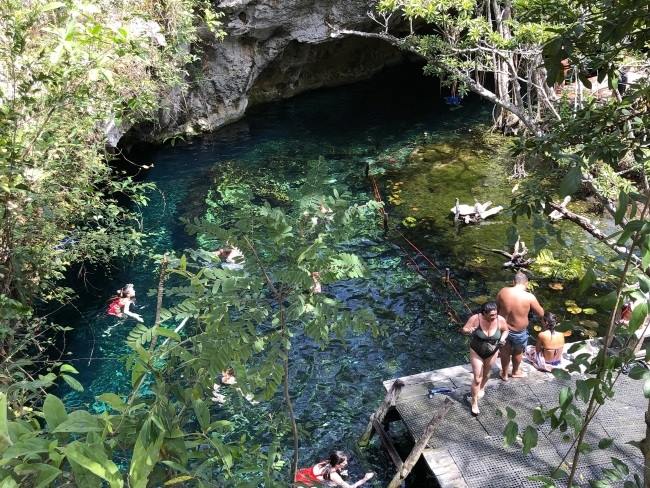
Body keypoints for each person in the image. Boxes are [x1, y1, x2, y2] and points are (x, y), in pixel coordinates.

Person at [460, 302, 509, 416]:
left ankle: (481, 388)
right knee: (477, 378)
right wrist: (468, 330)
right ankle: (474, 402)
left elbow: (506, 330)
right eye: (491, 315)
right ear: (484, 313)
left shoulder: (500, 320)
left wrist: (502, 338)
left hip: (492, 351)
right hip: (477, 351)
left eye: (495, 314)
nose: (494, 317)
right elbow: (464, 330)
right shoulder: (475, 319)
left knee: (486, 375)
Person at [497, 271, 544, 380]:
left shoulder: (503, 291)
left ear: (513, 282)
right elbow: (541, 313)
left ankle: (504, 374)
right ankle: (515, 371)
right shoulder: (529, 296)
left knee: (504, 351)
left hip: (502, 328)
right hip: (518, 331)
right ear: (526, 283)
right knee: (518, 352)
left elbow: (497, 308)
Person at [295, 451, 374, 488]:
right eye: (344, 462)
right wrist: (365, 479)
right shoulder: (334, 476)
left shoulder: (325, 462)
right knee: (336, 484)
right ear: (337, 464)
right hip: (304, 484)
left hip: (299, 474)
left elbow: (328, 471)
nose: (346, 463)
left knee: (332, 483)